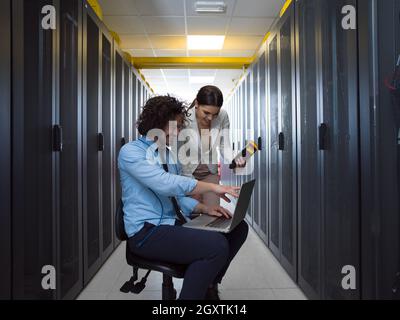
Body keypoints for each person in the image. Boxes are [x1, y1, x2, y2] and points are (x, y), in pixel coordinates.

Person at [118, 96, 249, 300]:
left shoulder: (168, 155)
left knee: (238, 228)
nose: (180, 132)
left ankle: (208, 285)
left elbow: (177, 198)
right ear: (159, 123)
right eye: (177, 127)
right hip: (146, 232)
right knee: (216, 246)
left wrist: (204, 209)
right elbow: (165, 183)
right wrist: (213, 187)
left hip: (171, 224)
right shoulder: (131, 152)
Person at [180, 86, 246, 207]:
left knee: (213, 212)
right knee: (192, 214)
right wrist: (192, 184)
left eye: (215, 114)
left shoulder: (223, 116)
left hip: (210, 172)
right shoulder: (183, 118)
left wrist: (233, 158)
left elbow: (224, 145)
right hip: (187, 173)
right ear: (196, 104)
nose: (210, 118)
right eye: (206, 112)